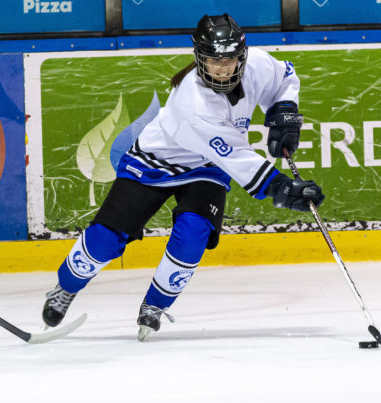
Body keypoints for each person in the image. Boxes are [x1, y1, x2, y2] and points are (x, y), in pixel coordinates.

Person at [41, 14, 324, 341]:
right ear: (199, 58)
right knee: (105, 239)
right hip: (153, 164)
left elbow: (285, 76)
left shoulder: (258, 64)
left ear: (241, 57)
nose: (222, 68)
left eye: (229, 60)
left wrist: (285, 113)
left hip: (206, 171)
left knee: (193, 234)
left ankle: (155, 304)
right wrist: (282, 189)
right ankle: (65, 288)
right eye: (213, 61)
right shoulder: (192, 101)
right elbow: (234, 157)